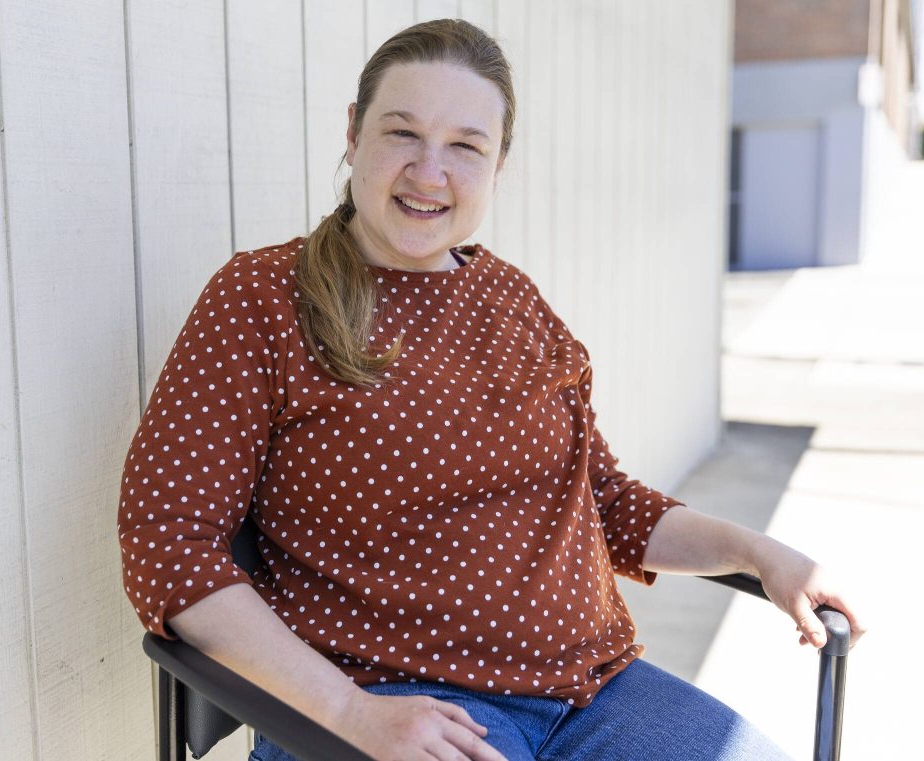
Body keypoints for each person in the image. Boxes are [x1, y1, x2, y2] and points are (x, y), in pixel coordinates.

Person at [118, 19, 864, 761]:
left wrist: (763, 553)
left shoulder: (511, 298)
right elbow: (166, 545)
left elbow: (602, 498)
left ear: (499, 162)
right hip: (387, 707)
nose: (429, 172)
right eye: (402, 133)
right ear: (353, 134)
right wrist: (347, 712)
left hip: (590, 693)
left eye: (465, 146)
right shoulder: (263, 297)